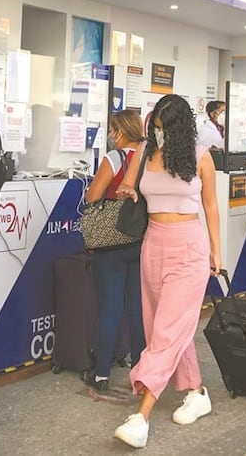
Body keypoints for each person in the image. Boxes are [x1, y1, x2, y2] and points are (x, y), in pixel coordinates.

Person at [111, 95, 221, 449]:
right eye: (153, 127)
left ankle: (141, 416)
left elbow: (211, 207)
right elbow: (128, 185)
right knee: (166, 326)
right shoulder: (145, 153)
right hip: (153, 245)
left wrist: (216, 252)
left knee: (167, 331)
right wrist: (128, 190)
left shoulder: (201, 157)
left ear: (178, 127)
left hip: (189, 247)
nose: (156, 134)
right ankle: (197, 392)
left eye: (161, 128)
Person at [83, 110, 147, 391]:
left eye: (112, 130)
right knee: (136, 310)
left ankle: (101, 375)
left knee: (110, 308)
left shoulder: (115, 158)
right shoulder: (149, 159)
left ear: (120, 131)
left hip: (111, 243)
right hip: (141, 239)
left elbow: (92, 196)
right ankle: (141, 373)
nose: (110, 135)